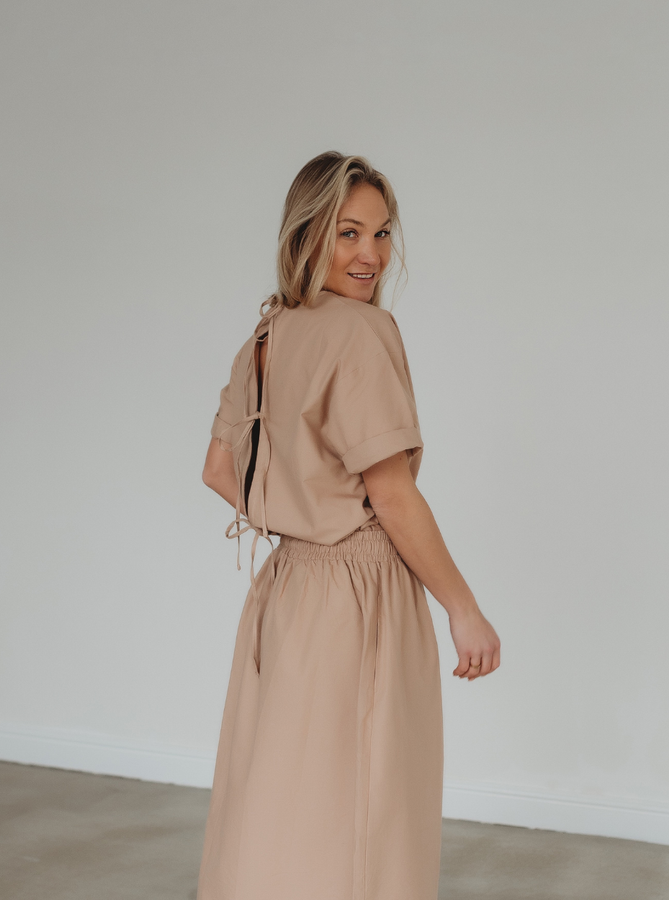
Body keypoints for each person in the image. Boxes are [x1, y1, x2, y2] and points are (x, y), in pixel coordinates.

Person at [198, 151, 500, 900]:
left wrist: (299, 515)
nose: (371, 255)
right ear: (307, 235)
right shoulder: (364, 333)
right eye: (348, 233)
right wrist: (463, 608)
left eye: (383, 233)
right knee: (369, 802)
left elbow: (216, 468)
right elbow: (392, 496)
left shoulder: (267, 335)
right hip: (360, 589)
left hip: (287, 586)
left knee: (283, 795)